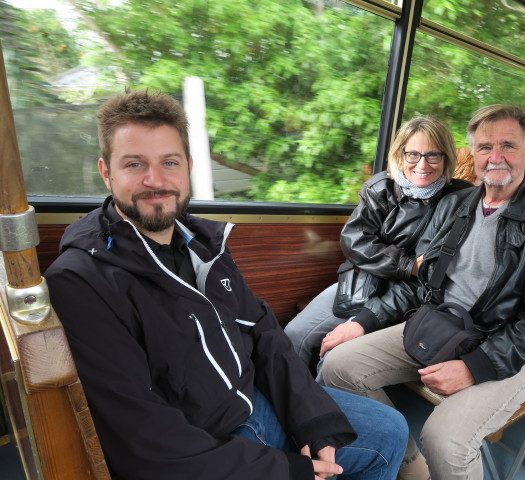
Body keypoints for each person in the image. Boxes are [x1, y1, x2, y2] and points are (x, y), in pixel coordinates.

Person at [43, 90, 408, 480]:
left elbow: (264, 332)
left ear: (188, 167)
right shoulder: (82, 280)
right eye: (134, 164)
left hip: (252, 397)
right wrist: (285, 469)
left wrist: (311, 417)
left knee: (390, 430)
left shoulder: (203, 246)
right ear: (106, 172)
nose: (156, 180)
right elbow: (142, 439)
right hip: (203, 440)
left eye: (169, 162)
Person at [322, 104, 525, 479]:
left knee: (445, 438)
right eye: (483, 147)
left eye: (508, 146)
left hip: (512, 347)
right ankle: (411, 467)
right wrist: (363, 322)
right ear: (472, 154)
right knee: (338, 367)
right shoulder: (457, 205)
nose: (495, 157)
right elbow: (421, 284)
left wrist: (475, 367)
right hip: (441, 324)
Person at [284, 116, 473, 380]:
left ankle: (320, 411)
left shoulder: (460, 200)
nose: (422, 165)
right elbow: (355, 240)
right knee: (294, 336)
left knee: (333, 357)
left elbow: (429, 274)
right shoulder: (381, 187)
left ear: (446, 157)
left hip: (407, 300)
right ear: (400, 154)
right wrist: (407, 265)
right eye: (413, 154)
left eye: (433, 155)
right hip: (361, 283)